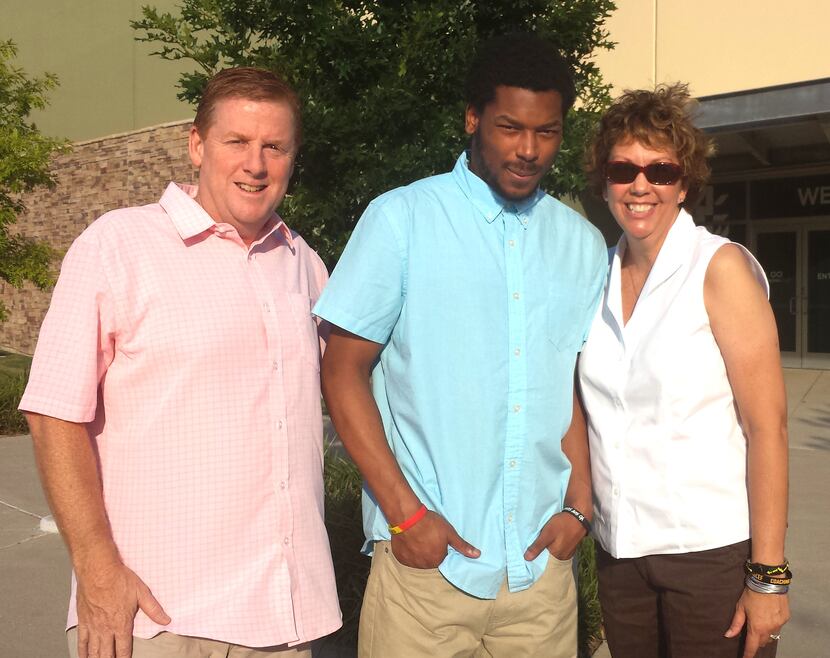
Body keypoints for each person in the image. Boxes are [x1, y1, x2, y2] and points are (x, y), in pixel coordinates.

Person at [20, 67, 341, 658]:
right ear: (197, 145)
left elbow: (354, 392)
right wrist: (96, 573)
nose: (256, 163)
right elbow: (53, 415)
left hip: (283, 620)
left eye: (274, 146)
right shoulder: (119, 246)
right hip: (156, 619)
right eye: (236, 142)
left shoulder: (305, 265)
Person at [313, 33, 607, 657]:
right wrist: (406, 516)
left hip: (540, 580)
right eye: (509, 127)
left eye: (547, 132)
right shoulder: (401, 220)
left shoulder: (580, 243)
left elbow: (570, 387)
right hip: (427, 577)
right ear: (473, 119)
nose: (528, 150)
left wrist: (580, 506)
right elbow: (342, 372)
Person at [578, 83, 790, 658]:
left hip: (710, 557)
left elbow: (766, 428)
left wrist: (767, 576)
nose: (640, 185)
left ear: (684, 183)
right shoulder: (594, 277)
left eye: (660, 170)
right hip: (620, 556)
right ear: (605, 181)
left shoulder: (719, 269)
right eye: (623, 169)